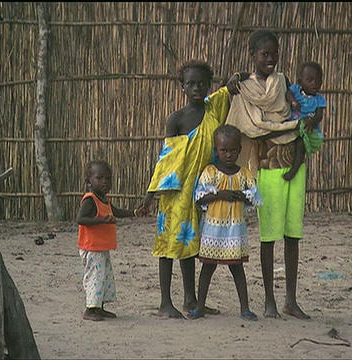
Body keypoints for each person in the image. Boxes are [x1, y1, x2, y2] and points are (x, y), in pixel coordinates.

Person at [136, 60, 243, 319]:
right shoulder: (176, 119)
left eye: (202, 83)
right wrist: (150, 197)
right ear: (181, 86)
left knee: (190, 246)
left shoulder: (213, 108)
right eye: (191, 84)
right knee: (167, 248)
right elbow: (166, 160)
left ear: (209, 85)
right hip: (176, 193)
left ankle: (191, 300)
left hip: (201, 190)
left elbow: (231, 87)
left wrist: (236, 78)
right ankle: (164, 303)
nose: (197, 88)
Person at [226, 29, 320, 319]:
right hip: (267, 167)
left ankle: (290, 300)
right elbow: (244, 123)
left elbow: (299, 110)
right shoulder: (243, 87)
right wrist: (232, 81)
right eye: (264, 54)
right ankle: (269, 301)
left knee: (293, 234)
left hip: (294, 163)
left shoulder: (283, 83)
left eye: (274, 53)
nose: (270, 58)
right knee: (269, 236)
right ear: (253, 55)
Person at [187, 124, 263, 321]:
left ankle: (245, 308)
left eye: (233, 150)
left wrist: (241, 196)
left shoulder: (244, 174)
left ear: (239, 149)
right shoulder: (210, 172)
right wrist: (220, 194)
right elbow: (199, 197)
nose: (229, 155)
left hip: (234, 230)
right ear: (216, 151)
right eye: (224, 150)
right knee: (208, 267)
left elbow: (255, 198)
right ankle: (200, 306)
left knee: (237, 267)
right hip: (213, 229)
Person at [76, 160, 138, 321]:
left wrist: (135, 212)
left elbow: (116, 211)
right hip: (91, 248)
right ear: (89, 181)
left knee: (104, 277)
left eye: (108, 179)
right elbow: (81, 219)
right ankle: (90, 309)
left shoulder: (104, 199)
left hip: (100, 248)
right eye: (100, 178)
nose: (105, 182)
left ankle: (99, 307)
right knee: (95, 277)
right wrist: (102, 220)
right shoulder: (90, 200)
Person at [284, 60, 327, 181]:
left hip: (308, 129)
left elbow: (319, 116)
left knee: (301, 142)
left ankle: (295, 169)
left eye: (318, 81)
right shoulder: (296, 90)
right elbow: (288, 93)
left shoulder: (319, 99)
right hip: (292, 125)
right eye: (310, 80)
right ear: (300, 81)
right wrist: (293, 101)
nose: (315, 84)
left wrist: (312, 121)